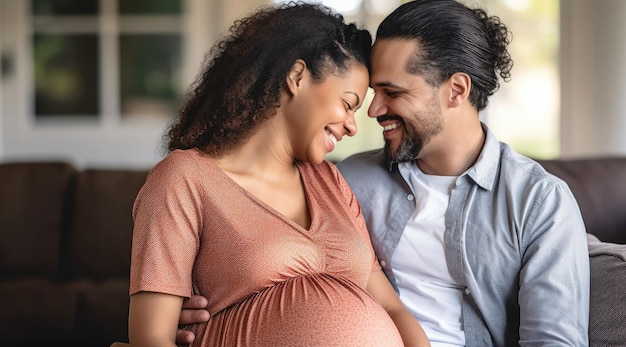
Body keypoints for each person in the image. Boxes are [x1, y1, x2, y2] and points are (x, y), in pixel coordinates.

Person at [157, 0, 591, 346]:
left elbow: (554, 340)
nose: (374, 110)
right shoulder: (344, 180)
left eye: (392, 92)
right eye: (368, 94)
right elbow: (241, 241)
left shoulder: (539, 202)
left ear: (457, 90)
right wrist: (182, 306)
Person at [120, 2, 430, 347]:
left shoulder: (330, 181)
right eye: (347, 104)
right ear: (297, 77)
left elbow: (390, 306)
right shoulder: (183, 179)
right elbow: (151, 338)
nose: (352, 127)